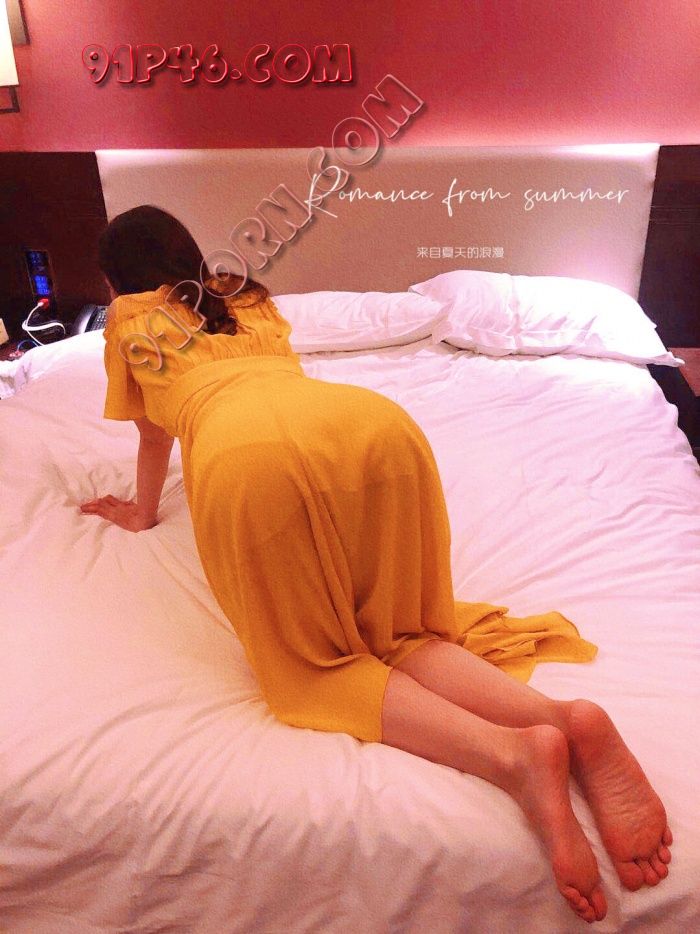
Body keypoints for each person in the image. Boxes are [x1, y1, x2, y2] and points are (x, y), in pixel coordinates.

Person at [81, 205, 672, 924]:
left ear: (115, 277)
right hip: (372, 428)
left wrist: (141, 513)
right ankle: (564, 720)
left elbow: (153, 437)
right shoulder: (245, 297)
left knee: (313, 668)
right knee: (400, 631)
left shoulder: (130, 319)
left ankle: (513, 756)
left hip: (246, 453)